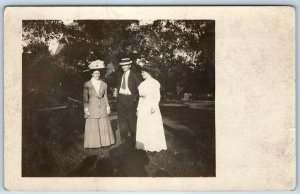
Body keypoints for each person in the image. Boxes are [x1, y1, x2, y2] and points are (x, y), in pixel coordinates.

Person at [135, 61, 167, 152]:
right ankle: (144, 146)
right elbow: (140, 98)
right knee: (143, 126)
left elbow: (157, 96)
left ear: (148, 72)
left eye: (143, 72)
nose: (142, 73)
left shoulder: (155, 83)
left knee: (151, 126)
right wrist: (138, 109)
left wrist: (154, 107)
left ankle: (153, 146)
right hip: (143, 107)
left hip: (151, 106)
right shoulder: (142, 84)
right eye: (141, 72)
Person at [83, 60, 115, 148]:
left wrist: (108, 106)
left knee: (103, 124)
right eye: (95, 73)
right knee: (93, 125)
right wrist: (86, 109)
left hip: (102, 107)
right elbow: (85, 98)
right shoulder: (87, 84)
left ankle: (105, 143)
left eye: (98, 73)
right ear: (92, 74)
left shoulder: (104, 84)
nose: (97, 75)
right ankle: (94, 144)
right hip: (92, 107)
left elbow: (105, 97)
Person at [113, 58, 142, 144]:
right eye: (122, 65)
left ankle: (134, 138)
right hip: (120, 99)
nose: (124, 67)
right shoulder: (120, 75)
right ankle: (124, 138)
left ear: (129, 65)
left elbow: (139, 89)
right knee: (121, 119)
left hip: (130, 99)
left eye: (126, 65)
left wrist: (134, 99)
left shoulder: (134, 75)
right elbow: (118, 87)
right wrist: (117, 94)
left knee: (132, 119)